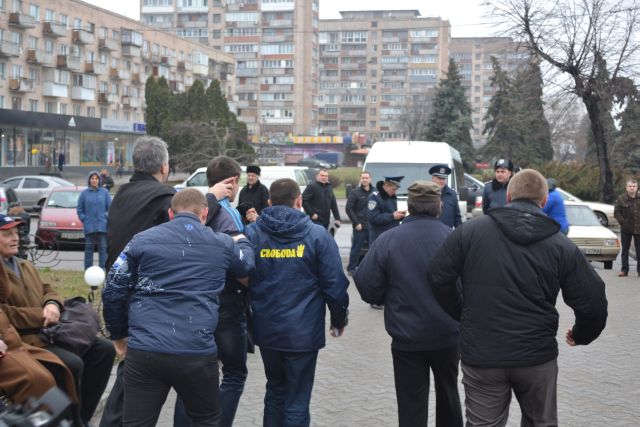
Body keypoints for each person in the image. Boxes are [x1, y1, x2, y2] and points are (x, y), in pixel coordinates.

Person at [427, 169, 608, 427]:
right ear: (544, 201)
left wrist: (461, 312)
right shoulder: (561, 245)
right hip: (536, 358)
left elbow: (437, 275)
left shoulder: (469, 233)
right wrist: (581, 334)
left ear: (509, 196)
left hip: (483, 355)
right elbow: (593, 301)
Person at [100, 136, 233, 427]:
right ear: (164, 166)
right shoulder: (161, 197)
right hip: (156, 314)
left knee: (128, 397)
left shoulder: (121, 194)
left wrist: (116, 329)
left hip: (130, 306)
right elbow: (188, 222)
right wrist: (210, 196)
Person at [354, 181, 462, 427]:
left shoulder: (389, 239)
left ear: (409, 206)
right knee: (449, 395)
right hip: (447, 334)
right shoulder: (454, 238)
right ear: (439, 205)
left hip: (407, 335)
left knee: (411, 403)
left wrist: (385, 297)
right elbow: (471, 285)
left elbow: (366, 283)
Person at [245, 178, 349, 427]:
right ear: (299, 201)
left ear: (269, 202)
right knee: (297, 398)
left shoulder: (253, 233)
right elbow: (334, 284)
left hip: (267, 329)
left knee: (275, 391)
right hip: (303, 332)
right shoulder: (317, 235)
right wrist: (338, 319)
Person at [0, 214, 115, 426]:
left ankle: (81, 418)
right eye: (6, 234)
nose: (14, 238)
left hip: (50, 330)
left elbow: (48, 289)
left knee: (105, 350)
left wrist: (52, 304)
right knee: (71, 363)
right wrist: (40, 313)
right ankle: (69, 420)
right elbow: (4, 314)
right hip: (28, 339)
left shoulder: (24, 265)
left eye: (15, 233)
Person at [77, 171, 111, 271]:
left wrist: (105, 217)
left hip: (102, 226)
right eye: (92, 178)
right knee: (88, 250)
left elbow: (110, 208)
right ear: (89, 180)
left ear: (99, 180)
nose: (94, 180)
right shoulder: (84, 194)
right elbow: (79, 209)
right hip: (89, 226)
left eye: (96, 178)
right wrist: (84, 218)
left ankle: (103, 269)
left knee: (103, 249)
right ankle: (88, 270)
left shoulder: (105, 192)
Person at [345, 171, 373, 275]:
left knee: (373, 249)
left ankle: (371, 268)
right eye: (363, 178)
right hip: (359, 226)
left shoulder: (375, 192)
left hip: (372, 226)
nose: (365, 180)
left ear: (370, 179)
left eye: (366, 178)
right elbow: (349, 209)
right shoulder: (355, 192)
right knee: (356, 249)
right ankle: (351, 268)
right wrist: (356, 223)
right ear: (360, 179)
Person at [368, 176, 406, 245]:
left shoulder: (391, 197)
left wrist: (400, 215)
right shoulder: (374, 198)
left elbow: (392, 214)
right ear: (387, 186)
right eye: (393, 189)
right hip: (379, 238)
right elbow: (373, 218)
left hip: (391, 237)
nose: (395, 192)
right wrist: (392, 216)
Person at [614, 178, 639, 277]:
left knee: (639, 250)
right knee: (625, 250)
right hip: (626, 228)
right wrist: (623, 222)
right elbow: (617, 212)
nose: (632, 188)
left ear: (637, 188)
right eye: (630, 186)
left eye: (634, 186)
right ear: (626, 187)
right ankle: (624, 270)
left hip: (639, 229)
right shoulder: (621, 198)